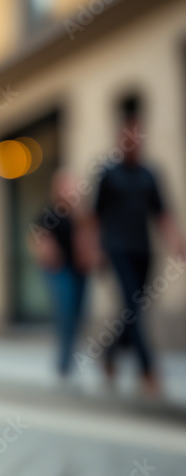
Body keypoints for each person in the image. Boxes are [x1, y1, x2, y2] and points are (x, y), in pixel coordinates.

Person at [91, 107, 185, 397]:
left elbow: (162, 213)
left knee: (134, 311)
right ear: (120, 138)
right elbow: (94, 217)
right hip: (116, 249)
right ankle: (148, 371)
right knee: (132, 308)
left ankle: (109, 353)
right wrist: (94, 249)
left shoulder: (149, 174)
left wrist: (176, 242)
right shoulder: (108, 174)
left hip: (143, 251)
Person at [29, 171, 91, 380]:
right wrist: (46, 250)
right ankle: (64, 365)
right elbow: (35, 238)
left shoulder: (80, 215)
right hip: (58, 271)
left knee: (78, 315)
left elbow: (91, 237)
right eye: (65, 187)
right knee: (65, 312)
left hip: (79, 270)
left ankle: (68, 361)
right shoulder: (50, 213)